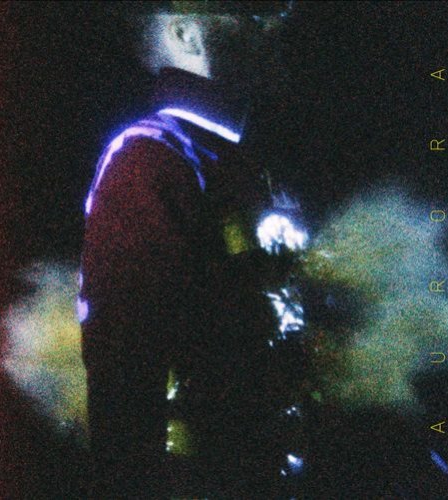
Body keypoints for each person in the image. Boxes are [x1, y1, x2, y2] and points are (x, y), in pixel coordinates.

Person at [78, 1, 298, 497]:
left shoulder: (234, 161)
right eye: (253, 16)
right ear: (185, 35)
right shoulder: (150, 162)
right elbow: (126, 394)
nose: (273, 30)